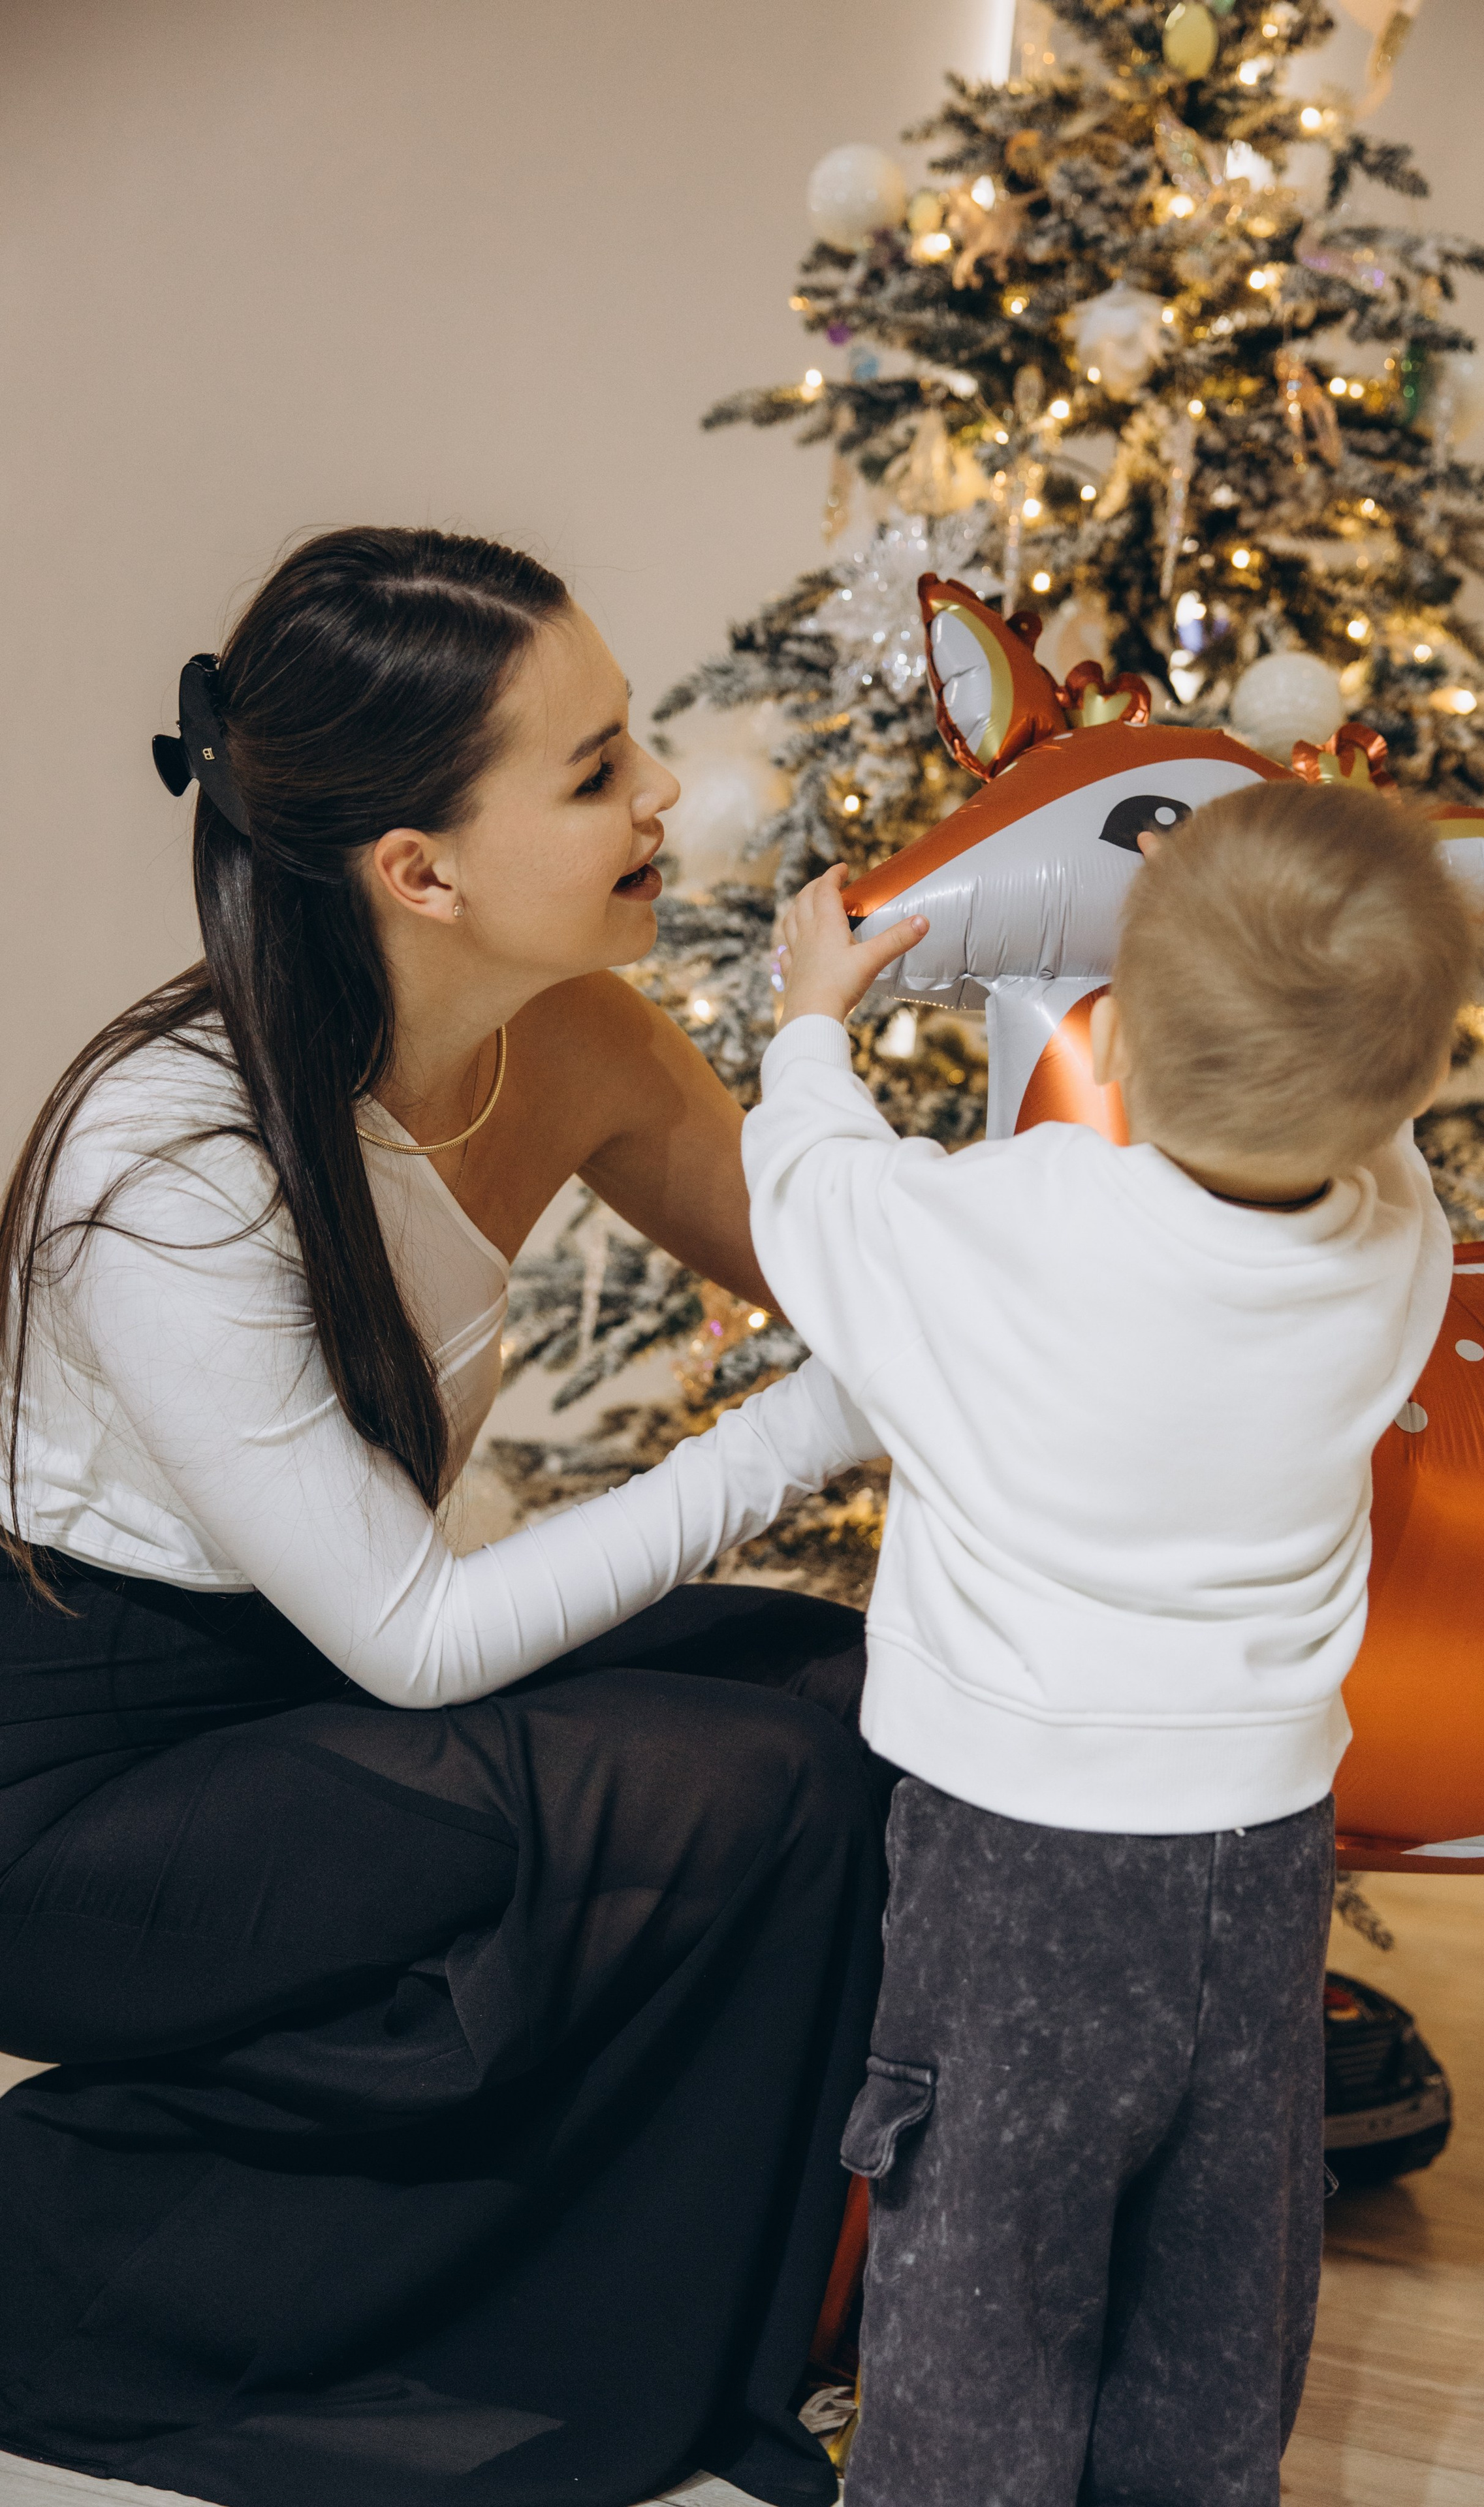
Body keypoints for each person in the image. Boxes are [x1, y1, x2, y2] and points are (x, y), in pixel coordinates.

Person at [0, 528, 923, 2507]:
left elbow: (858, 1283)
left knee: (841, 1686)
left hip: (297, 1714)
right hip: (79, 1806)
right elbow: (413, 1638)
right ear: (416, 873)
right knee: (726, 1785)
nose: (664, 793)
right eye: (596, 772)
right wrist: (802, 1435)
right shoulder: (170, 1157)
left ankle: (736, 2290)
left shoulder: (577, 1038)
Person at [744, 781, 1479, 2507]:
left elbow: (820, 1204)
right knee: (1226, 2256)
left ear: (1118, 1036)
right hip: (1261, 1853)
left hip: (1022, 1864)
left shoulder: (1019, 1228)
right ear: (1417, 1079)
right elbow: (1385, 1134)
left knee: (990, 2256)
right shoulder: (1392, 1257)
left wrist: (807, 1031)